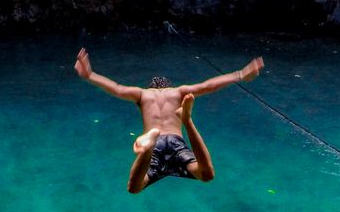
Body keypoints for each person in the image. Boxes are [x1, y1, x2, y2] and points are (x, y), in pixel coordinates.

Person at [74, 48, 265, 193]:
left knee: (134, 187)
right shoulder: (178, 92)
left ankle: (147, 148)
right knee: (206, 175)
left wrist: (90, 75)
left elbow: (116, 88)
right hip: (176, 144)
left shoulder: (142, 94)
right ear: (168, 86)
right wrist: (240, 74)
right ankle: (186, 119)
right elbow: (208, 86)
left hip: (156, 144)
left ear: (150, 87)